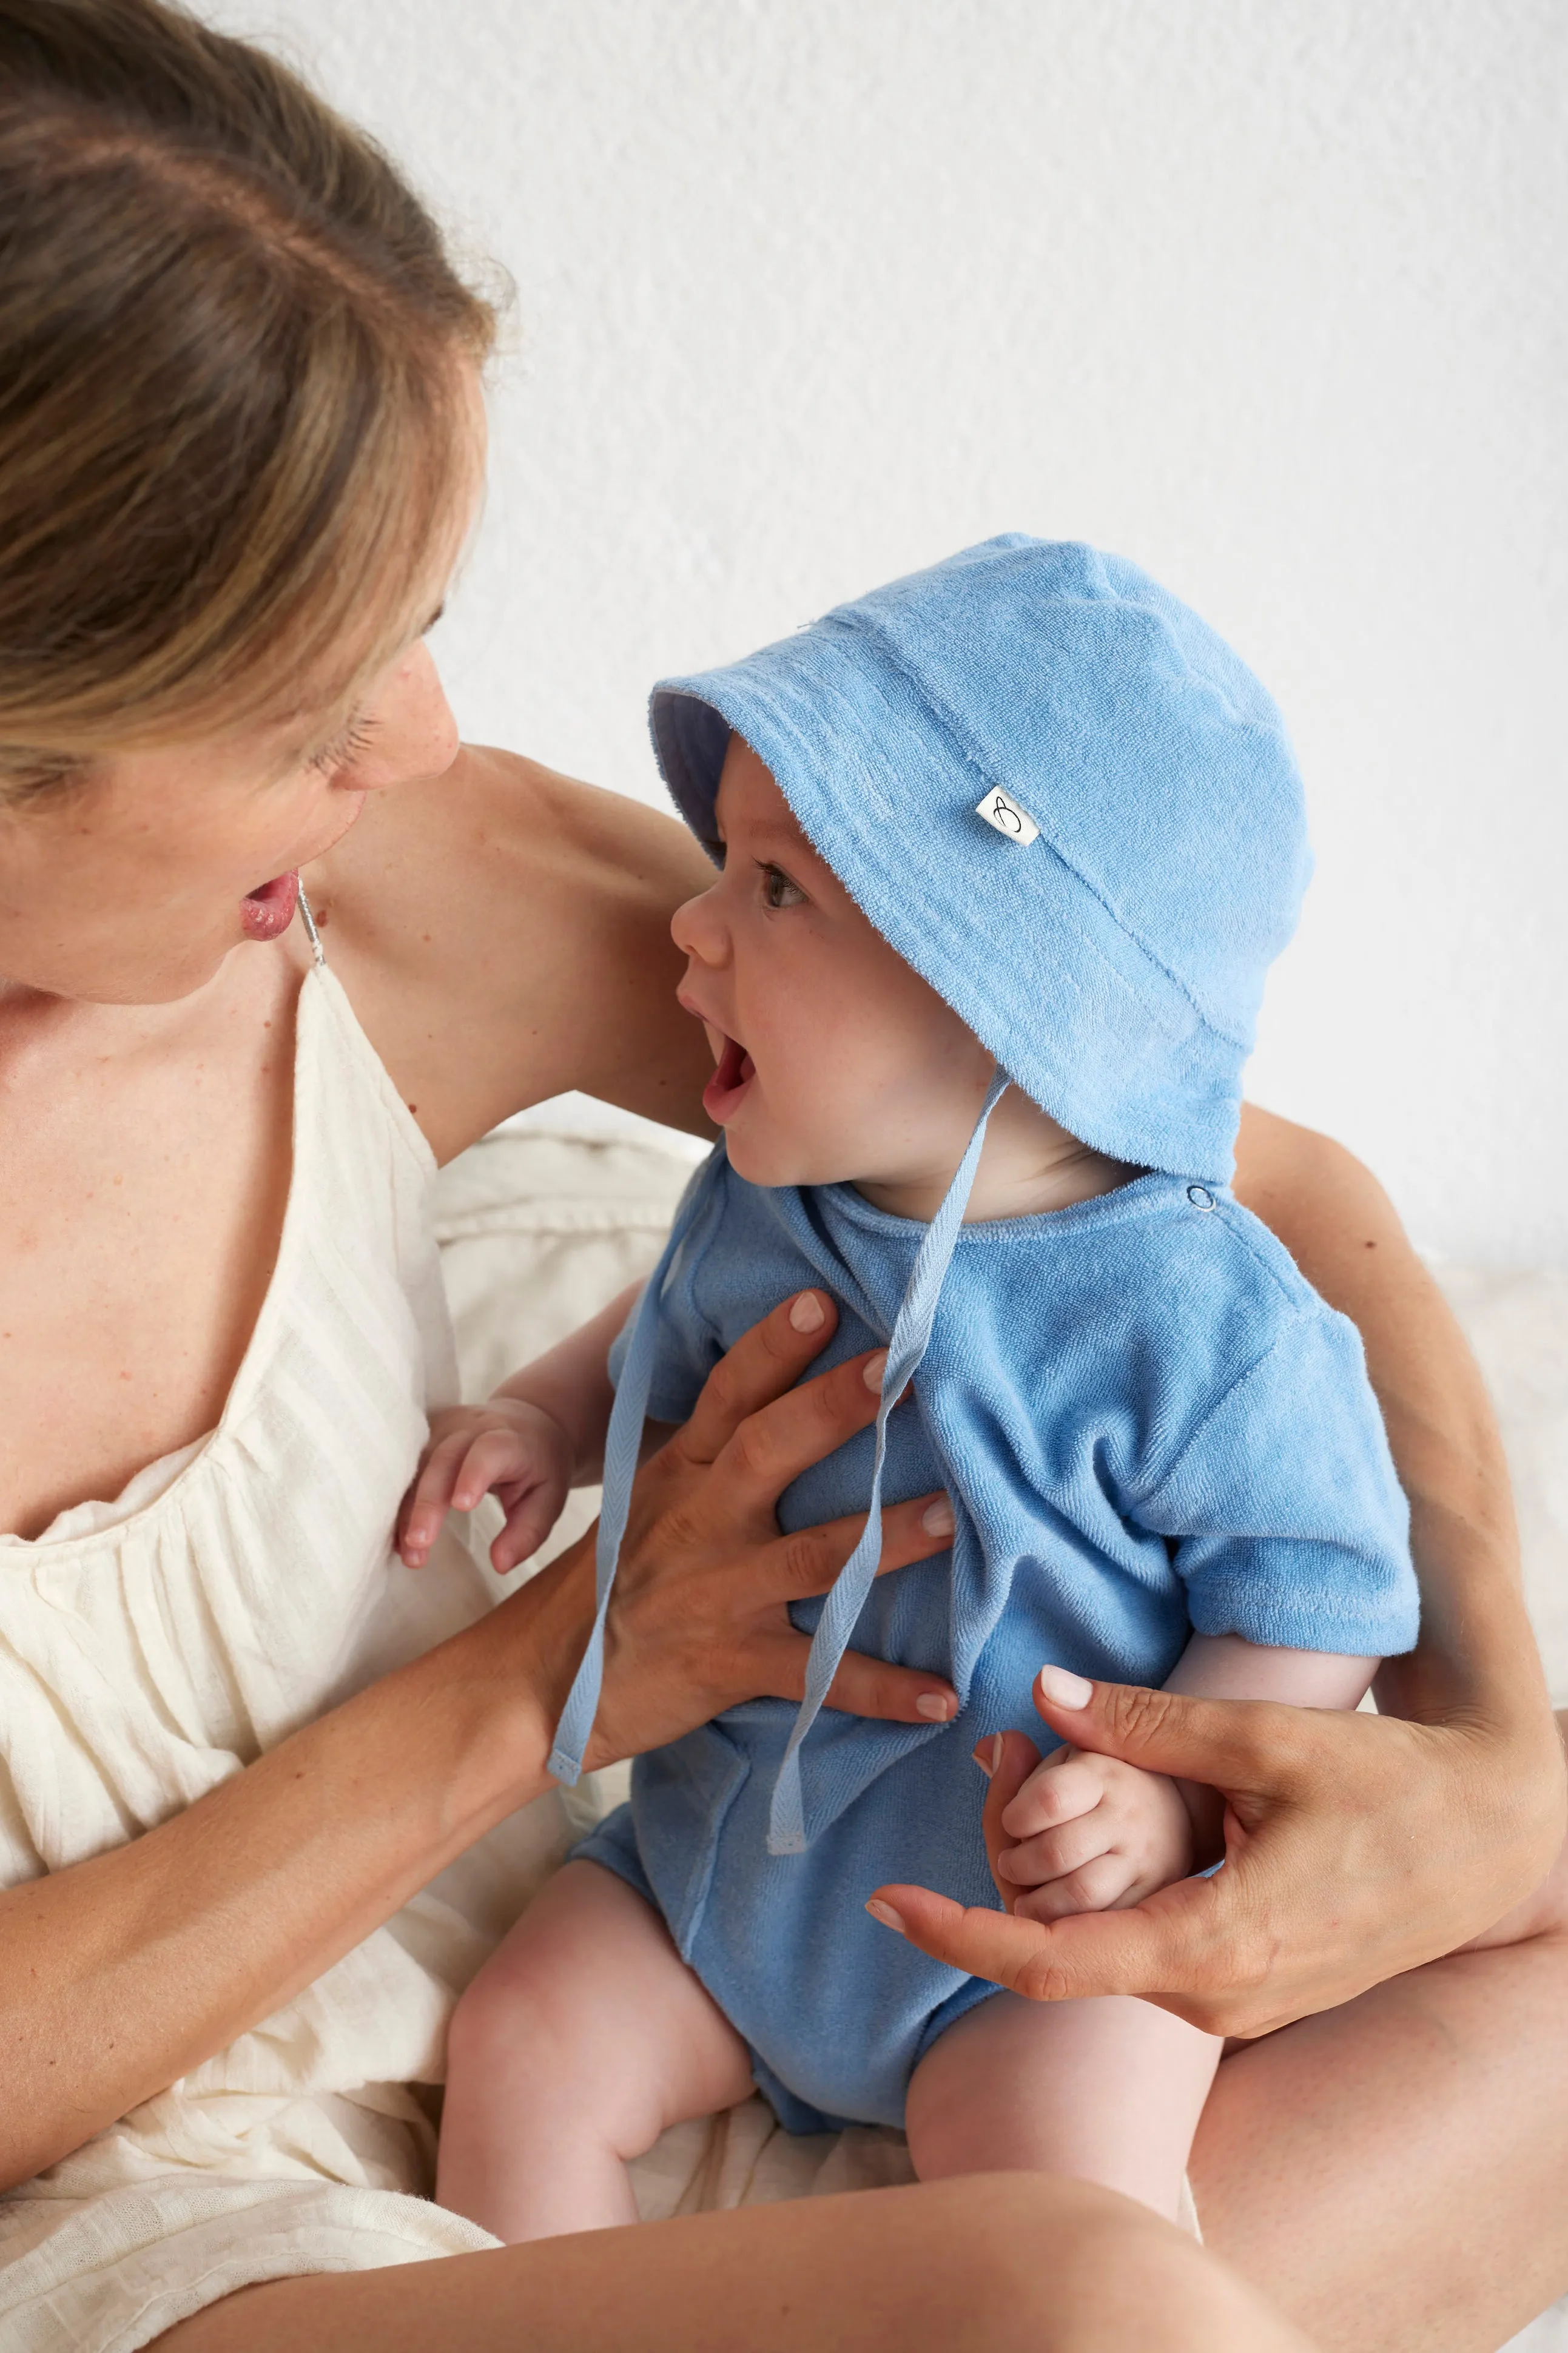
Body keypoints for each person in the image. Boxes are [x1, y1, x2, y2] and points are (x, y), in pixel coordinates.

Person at [0, 2, 1563, 2349]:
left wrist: (1499, 1774)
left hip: (699, 1926)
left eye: (415, 627)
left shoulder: (382, 884)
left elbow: (1257, 1194)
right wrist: (562, 1663)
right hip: (180, 2200)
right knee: (1086, 2305)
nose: (418, 738)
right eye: (308, 695)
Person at [418, 540, 1420, 2243]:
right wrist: (539, 1416)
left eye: (777, 887)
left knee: (1066, 2220)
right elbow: (659, 1321)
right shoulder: (772, 1189)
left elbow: (1326, 1590)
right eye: (721, 863)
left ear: (1007, 990)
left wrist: (1169, 1792)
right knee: (519, 2041)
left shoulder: (1194, 1315)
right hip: (717, 1873)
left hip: (1028, 1947)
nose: (692, 923)